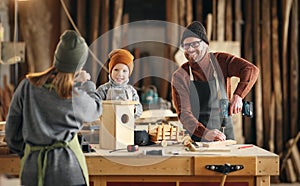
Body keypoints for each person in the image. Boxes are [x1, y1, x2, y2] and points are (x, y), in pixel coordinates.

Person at [5, 30, 102, 186]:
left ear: (57, 57)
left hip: (33, 170)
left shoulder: (27, 85)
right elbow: (95, 109)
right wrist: (87, 84)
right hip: (67, 171)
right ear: (79, 65)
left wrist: (30, 152)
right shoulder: (74, 95)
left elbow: (11, 134)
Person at [171, 21, 259, 142]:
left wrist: (238, 95)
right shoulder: (181, 76)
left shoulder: (221, 61)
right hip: (197, 138)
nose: (190, 49)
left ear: (206, 44)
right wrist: (205, 133)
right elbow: (184, 114)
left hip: (225, 132)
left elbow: (251, 70)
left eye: (195, 44)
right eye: (186, 46)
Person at [97, 49, 143, 118]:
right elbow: (94, 108)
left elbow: (139, 110)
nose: (120, 74)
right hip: (108, 125)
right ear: (110, 71)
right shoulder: (103, 89)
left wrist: (133, 108)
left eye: (124, 71)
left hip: (127, 126)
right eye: (116, 70)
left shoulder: (131, 90)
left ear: (129, 73)